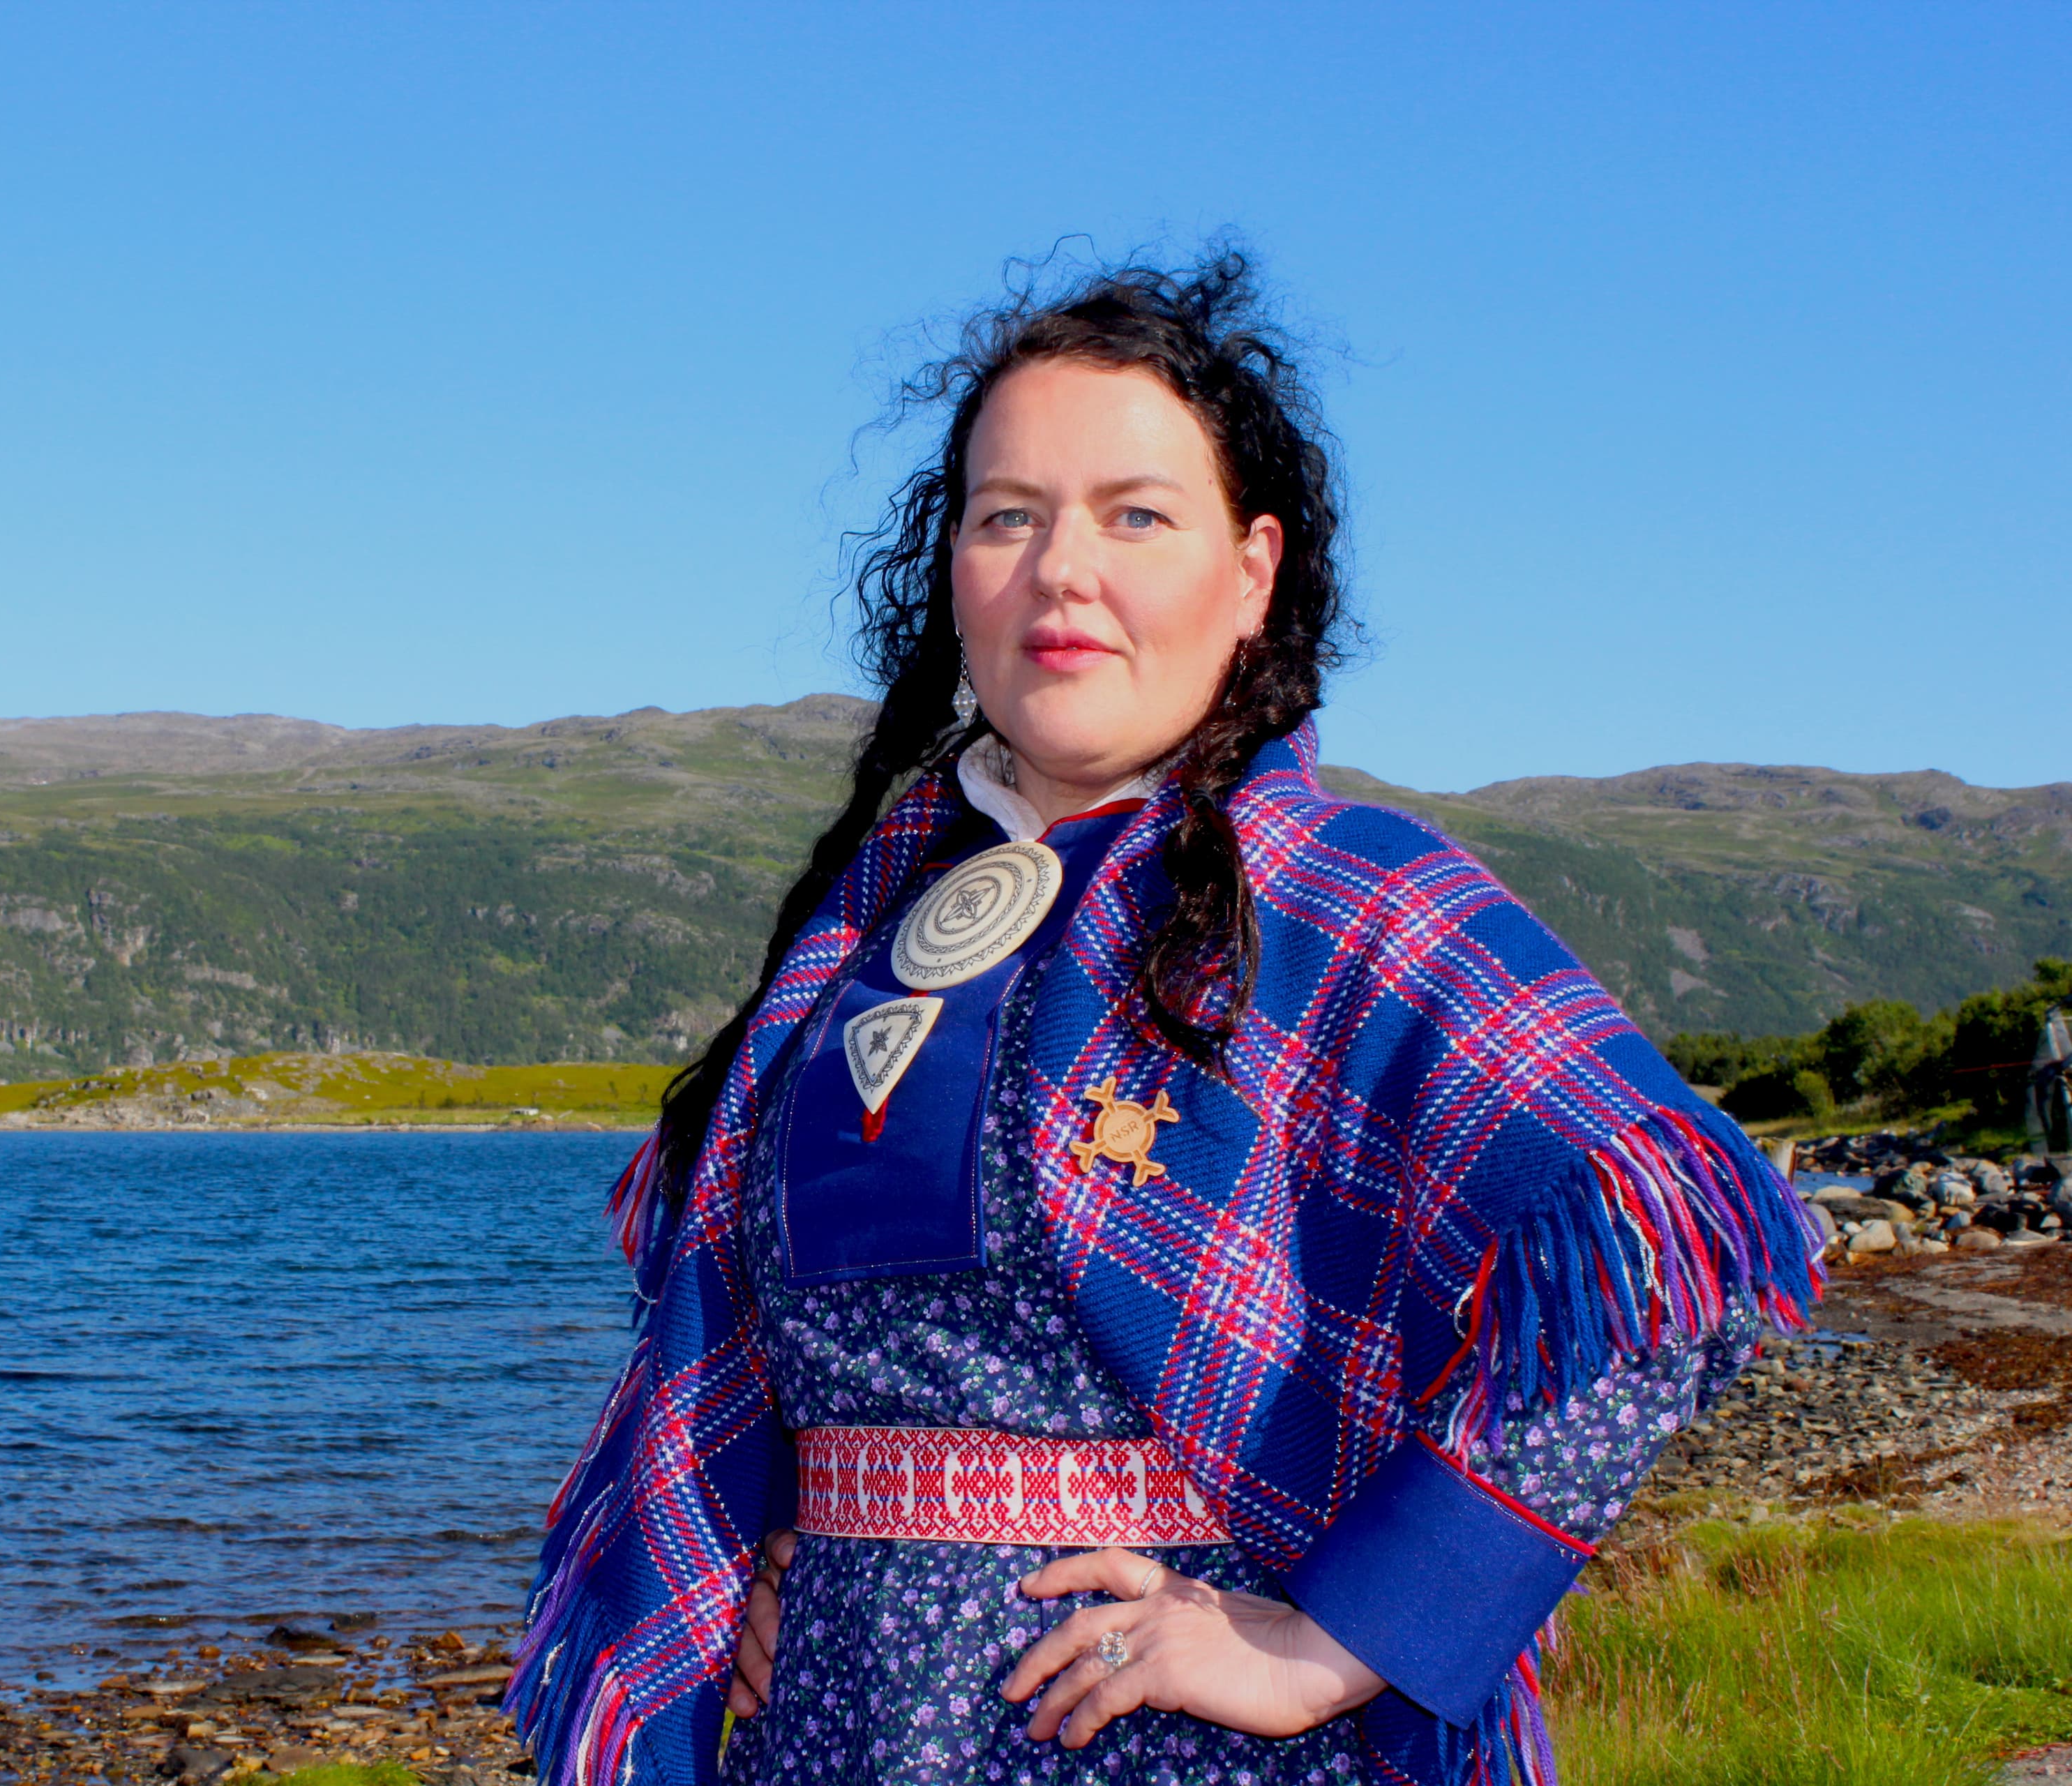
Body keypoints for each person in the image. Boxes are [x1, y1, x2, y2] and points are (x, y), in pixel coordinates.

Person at [504, 252, 1819, 1786]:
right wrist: (774, 1536)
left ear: (1251, 571)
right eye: (1009, 515)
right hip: (831, 1730)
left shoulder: (1352, 901)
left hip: (1156, 1741)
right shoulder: (857, 937)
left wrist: (1329, 1642)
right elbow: (789, 1344)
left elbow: (1664, 1263)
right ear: (953, 569)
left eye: (1137, 513)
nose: (1064, 568)